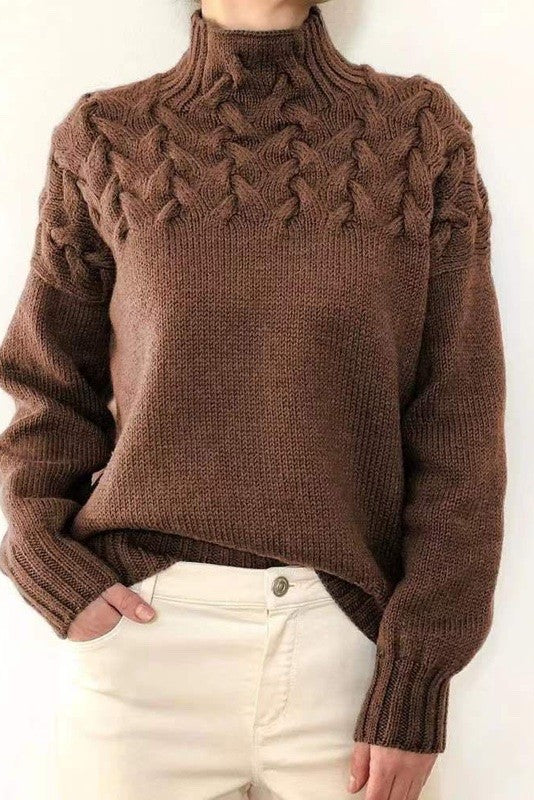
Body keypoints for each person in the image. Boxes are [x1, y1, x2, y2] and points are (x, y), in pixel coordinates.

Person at [0, 1, 506, 798]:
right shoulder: (104, 137)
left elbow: (459, 423)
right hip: (141, 647)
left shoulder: (418, 134)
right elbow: (47, 387)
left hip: (346, 649)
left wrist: (418, 675)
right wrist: (42, 558)